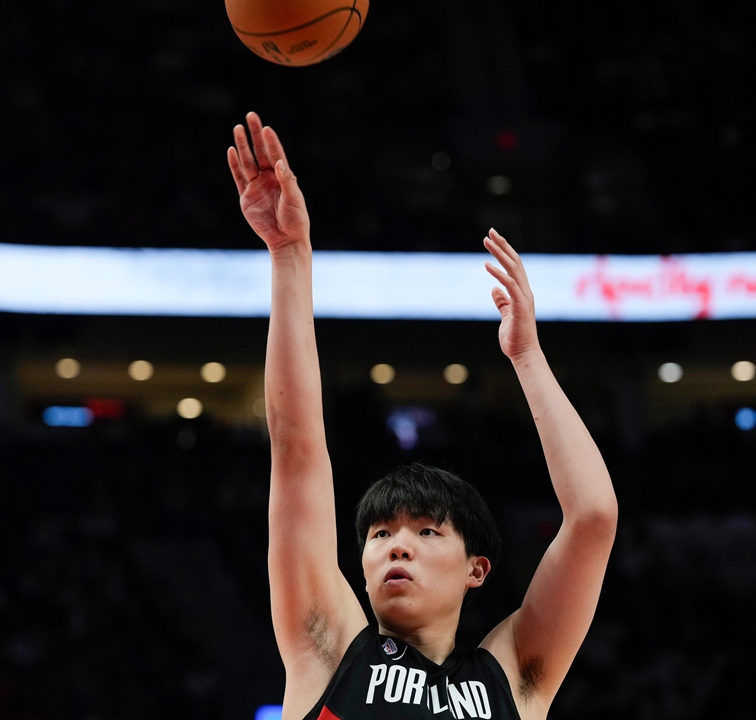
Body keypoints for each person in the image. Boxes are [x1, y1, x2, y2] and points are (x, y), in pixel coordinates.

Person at [227, 112, 617, 720]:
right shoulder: (328, 650)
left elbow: (593, 517)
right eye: (381, 535)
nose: (396, 548)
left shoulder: (512, 681)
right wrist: (288, 255)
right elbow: (296, 447)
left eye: (426, 532)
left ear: (477, 569)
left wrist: (527, 356)